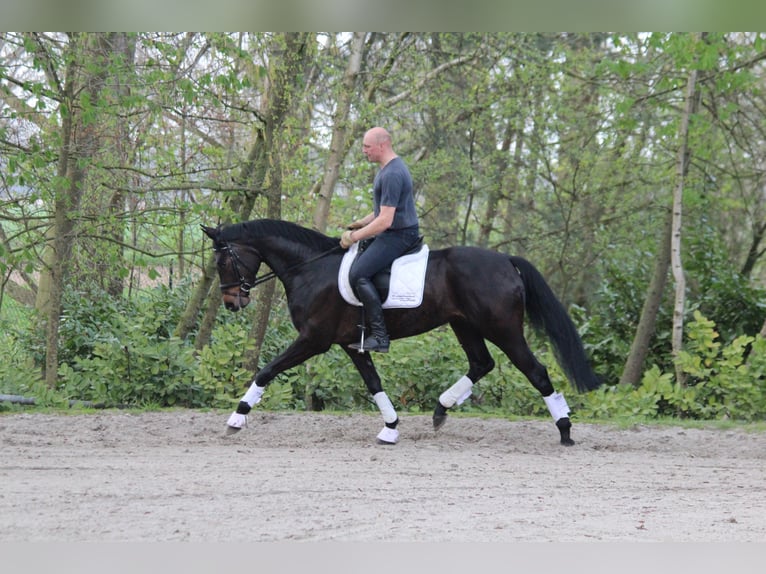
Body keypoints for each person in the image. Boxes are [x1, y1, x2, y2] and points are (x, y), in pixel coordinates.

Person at [340, 127, 420, 353]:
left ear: (382, 145)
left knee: (358, 273)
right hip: (393, 230)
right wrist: (361, 223)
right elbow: (382, 210)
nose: (364, 151)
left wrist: (353, 237)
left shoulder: (393, 174)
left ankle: (380, 336)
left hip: (399, 235)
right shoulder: (387, 168)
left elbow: (385, 220)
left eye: (367, 146)